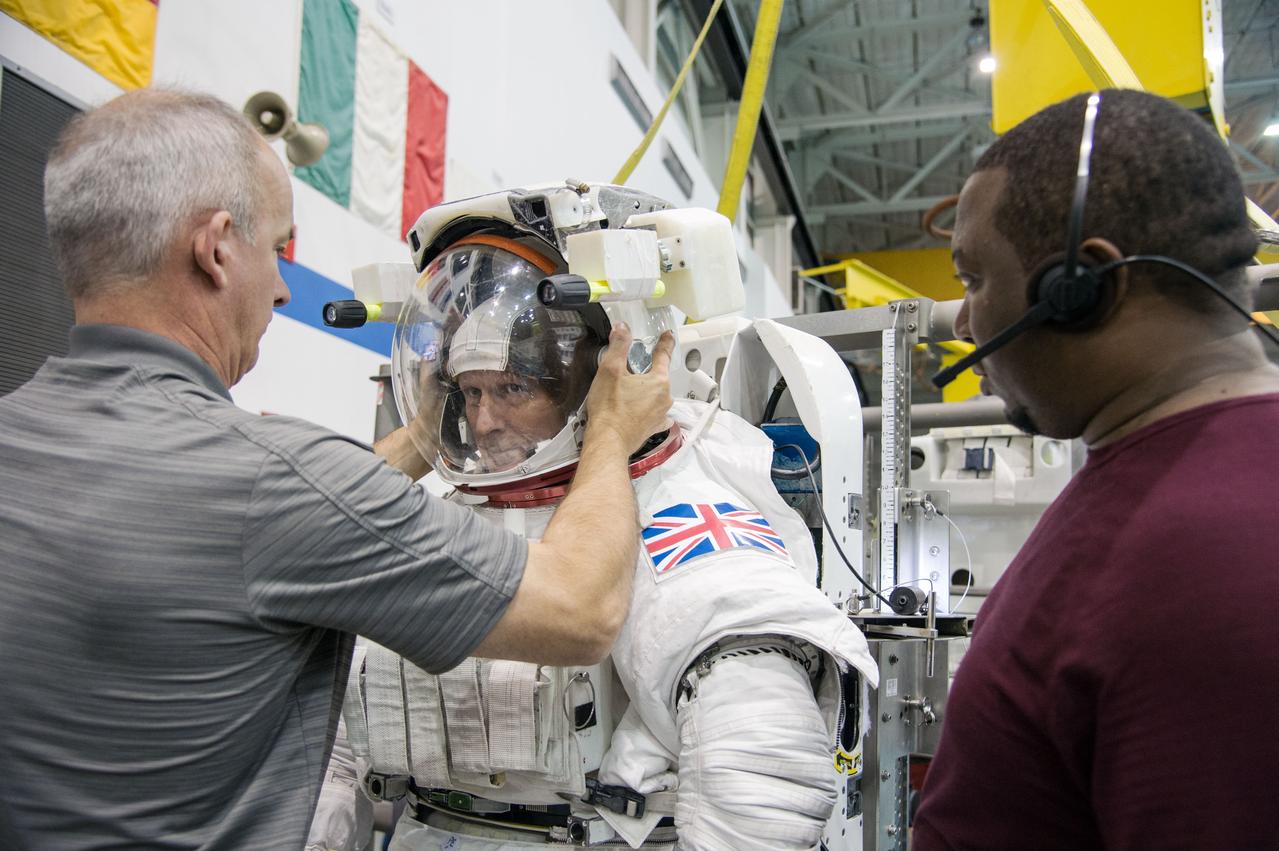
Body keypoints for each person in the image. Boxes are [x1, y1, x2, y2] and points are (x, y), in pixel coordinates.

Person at [0, 89, 674, 849]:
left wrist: (429, 432)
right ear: (218, 247)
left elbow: (316, 508)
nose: (285, 286)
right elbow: (580, 608)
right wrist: (613, 432)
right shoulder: (271, 479)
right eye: (277, 249)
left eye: (509, 389)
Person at [322, 188, 879, 850]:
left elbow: (758, 789)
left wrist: (612, 435)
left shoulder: (680, 512)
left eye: (512, 389)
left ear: (597, 381)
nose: (484, 419)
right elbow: (323, 748)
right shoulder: (446, 512)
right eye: (468, 393)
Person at [912, 88, 1279, 847]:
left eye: (974, 279)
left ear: (1080, 289)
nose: (965, 322)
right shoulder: (1156, 475)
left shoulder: (1216, 561)